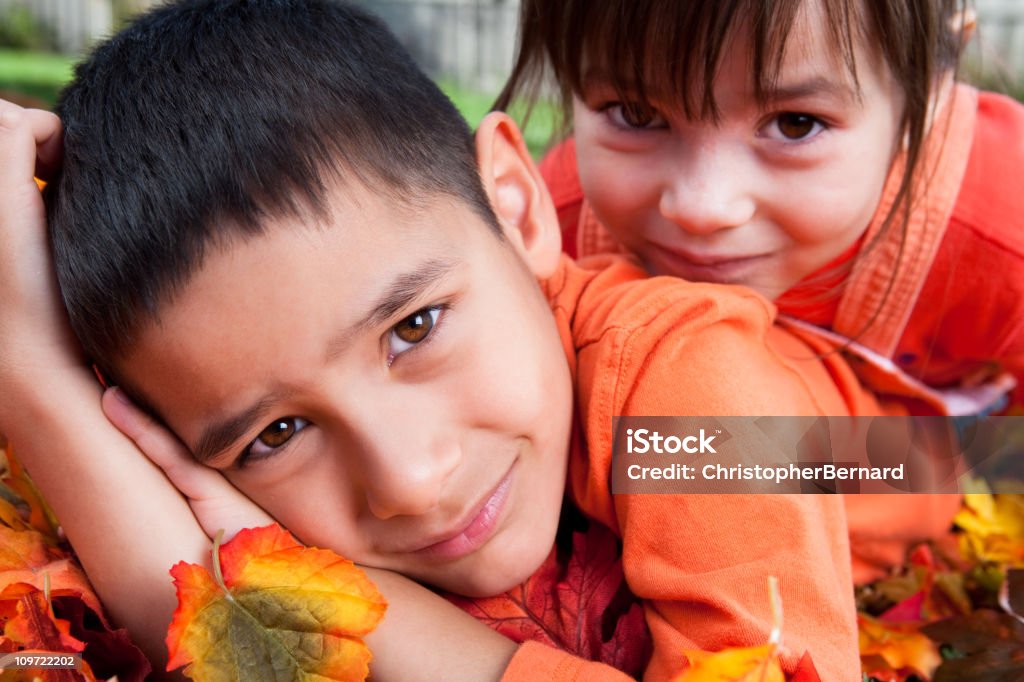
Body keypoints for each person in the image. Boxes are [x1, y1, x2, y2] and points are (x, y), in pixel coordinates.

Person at [0, 1, 895, 679]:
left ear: (513, 206)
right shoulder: (422, 295)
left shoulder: (697, 381)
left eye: (413, 328)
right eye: (275, 435)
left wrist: (358, 613)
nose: (408, 480)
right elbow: (192, 609)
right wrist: (32, 370)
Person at [496, 0, 1024, 583]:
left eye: (796, 123)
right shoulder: (552, 224)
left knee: (686, 448)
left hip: (939, 452)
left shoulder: (1003, 219)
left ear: (931, 79)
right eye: (636, 113)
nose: (702, 207)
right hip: (694, 440)